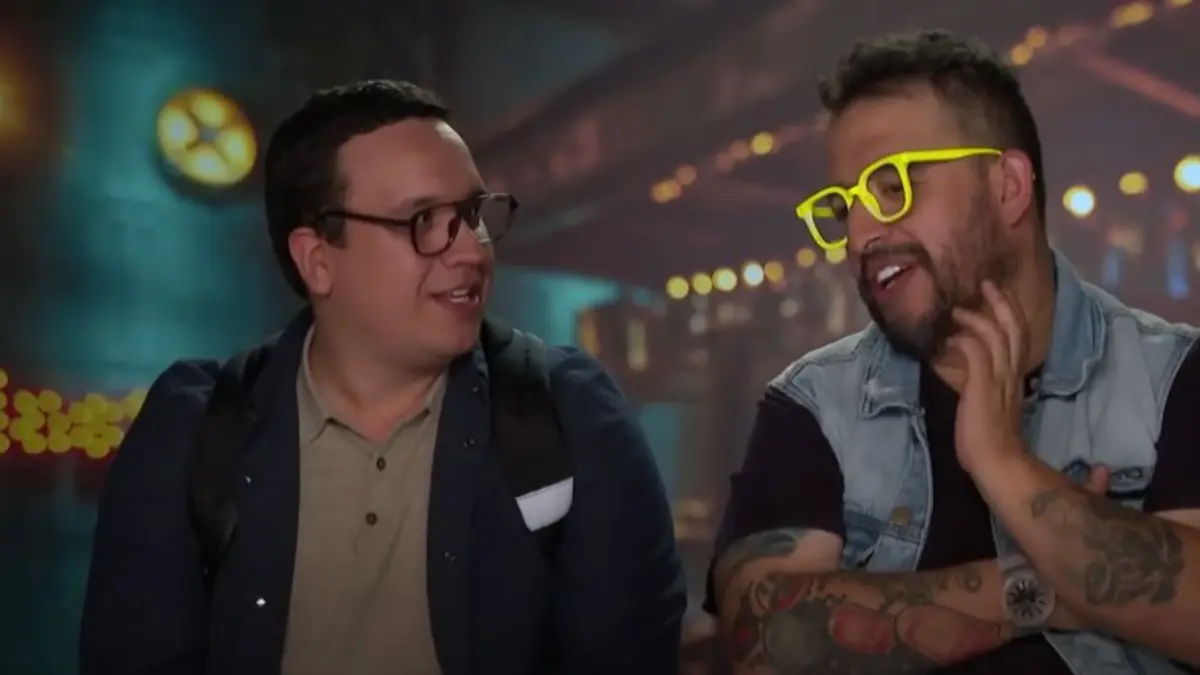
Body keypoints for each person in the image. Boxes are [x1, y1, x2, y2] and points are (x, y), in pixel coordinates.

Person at [81, 80, 686, 675]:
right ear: (318, 260)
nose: (471, 252)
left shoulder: (572, 413)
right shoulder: (194, 429)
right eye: (424, 220)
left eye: (474, 214)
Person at [706, 30, 1200, 675]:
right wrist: (1052, 587)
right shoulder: (813, 406)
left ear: (1008, 188)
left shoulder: (1172, 377)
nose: (860, 234)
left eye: (893, 187)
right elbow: (760, 638)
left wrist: (1004, 464)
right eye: (845, 207)